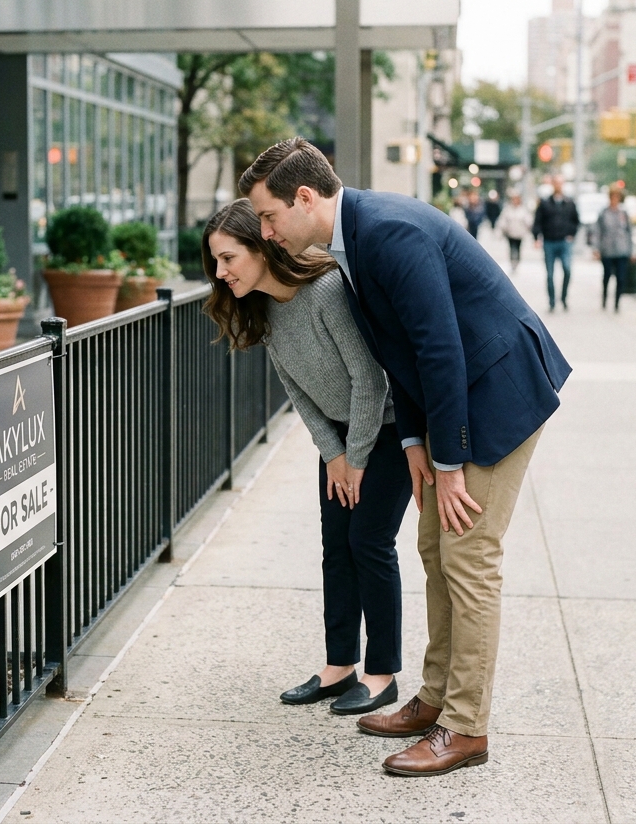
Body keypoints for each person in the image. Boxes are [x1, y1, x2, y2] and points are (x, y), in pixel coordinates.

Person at [240, 138, 570, 778]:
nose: (265, 231)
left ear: (304, 199)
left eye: (269, 216)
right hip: (455, 403)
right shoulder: (353, 238)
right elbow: (404, 350)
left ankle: (464, 728)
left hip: (499, 392)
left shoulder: (386, 233)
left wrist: (449, 463)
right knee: (432, 546)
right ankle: (435, 698)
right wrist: (416, 444)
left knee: (469, 555)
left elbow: (441, 349)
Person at [201, 199, 414, 717]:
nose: (221, 273)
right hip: (342, 443)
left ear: (261, 247)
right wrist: (333, 453)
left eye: (228, 258)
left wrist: (355, 457)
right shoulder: (264, 307)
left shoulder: (326, 291)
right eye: (216, 264)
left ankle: (381, 672)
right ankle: (339, 666)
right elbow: (297, 391)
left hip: (386, 432)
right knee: (336, 547)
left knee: (369, 542)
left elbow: (370, 379)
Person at [531, 178, 580, 312]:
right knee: (550, 274)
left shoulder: (569, 203)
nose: (558, 185)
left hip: (564, 241)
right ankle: (552, 301)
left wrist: (572, 234)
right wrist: (536, 237)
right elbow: (537, 221)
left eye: (560, 183)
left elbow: (576, 220)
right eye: (556, 183)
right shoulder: (545, 203)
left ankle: (563, 298)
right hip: (549, 241)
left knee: (567, 269)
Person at [589, 187, 633, 312]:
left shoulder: (623, 213)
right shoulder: (604, 213)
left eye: (617, 197)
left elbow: (629, 232)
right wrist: (596, 249)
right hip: (607, 250)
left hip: (621, 249)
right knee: (607, 275)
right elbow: (597, 232)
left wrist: (631, 250)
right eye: (613, 197)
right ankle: (604, 299)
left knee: (621, 277)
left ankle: (617, 303)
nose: (615, 199)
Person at [495, 190, 531, 273]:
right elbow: (502, 220)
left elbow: (528, 221)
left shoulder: (523, 209)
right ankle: (512, 262)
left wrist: (528, 229)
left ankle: (517, 261)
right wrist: (500, 230)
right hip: (510, 233)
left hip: (519, 234)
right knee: (512, 248)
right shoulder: (507, 209)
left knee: (518, 248)